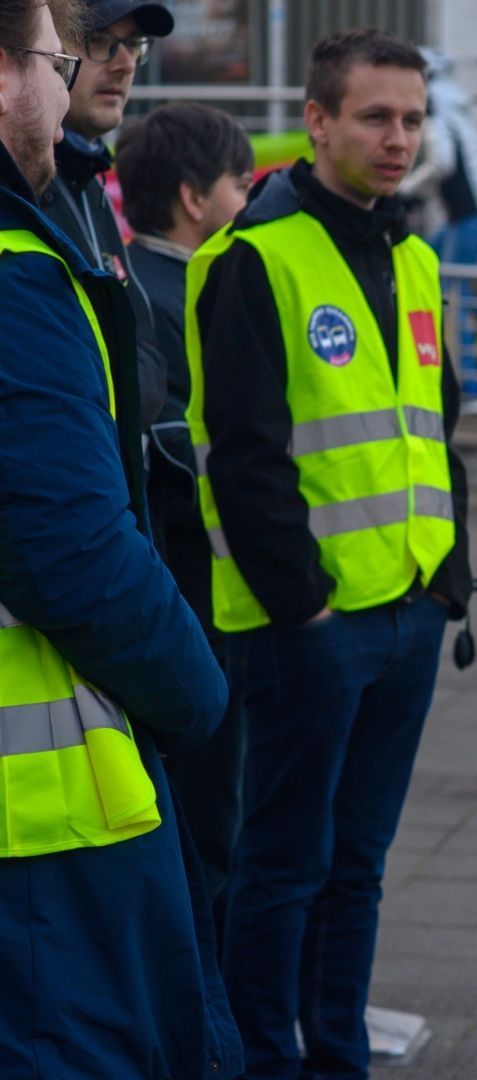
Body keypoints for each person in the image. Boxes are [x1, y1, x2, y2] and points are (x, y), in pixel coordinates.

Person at [187, 28, 473, 1079]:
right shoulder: (253, 258)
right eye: (375, 118)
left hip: (405, 613)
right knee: (282, 866)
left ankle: (337, 1057)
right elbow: (247, 460)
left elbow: (435, 435)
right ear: (316, 122)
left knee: (357, 869)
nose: (399, 139)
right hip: (307, 628)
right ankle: (267, 1061)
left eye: (412, 119)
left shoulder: (416, 257)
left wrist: (449, 579)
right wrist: (303, 609)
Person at [0, 0, 237, 1075]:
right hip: (43, 834)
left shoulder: (69, 211)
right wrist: (194, 691)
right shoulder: (18, 266)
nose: (86, 72)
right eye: (63, 54)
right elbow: (70, 547)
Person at [115, 100, 255, 940]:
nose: (253, 200)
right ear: (195, 198)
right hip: (200, 597)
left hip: (199, 597)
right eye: (243, 185)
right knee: (213, 826)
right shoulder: (171, 296)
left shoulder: (144, 282)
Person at [40, 0, 171, 427]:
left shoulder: (88, 181)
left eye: (133, 45)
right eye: (99, 41)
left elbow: (148, 354)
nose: (125, 64)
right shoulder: (25, 184)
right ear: (45, 49)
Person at [399, 46, 477, 406]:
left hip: (468, 216)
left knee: (450, 297)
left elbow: (441, 162)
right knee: (425, 266)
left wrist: (405, 189)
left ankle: (470, 390)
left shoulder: (437, 108)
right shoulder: (453, 104)